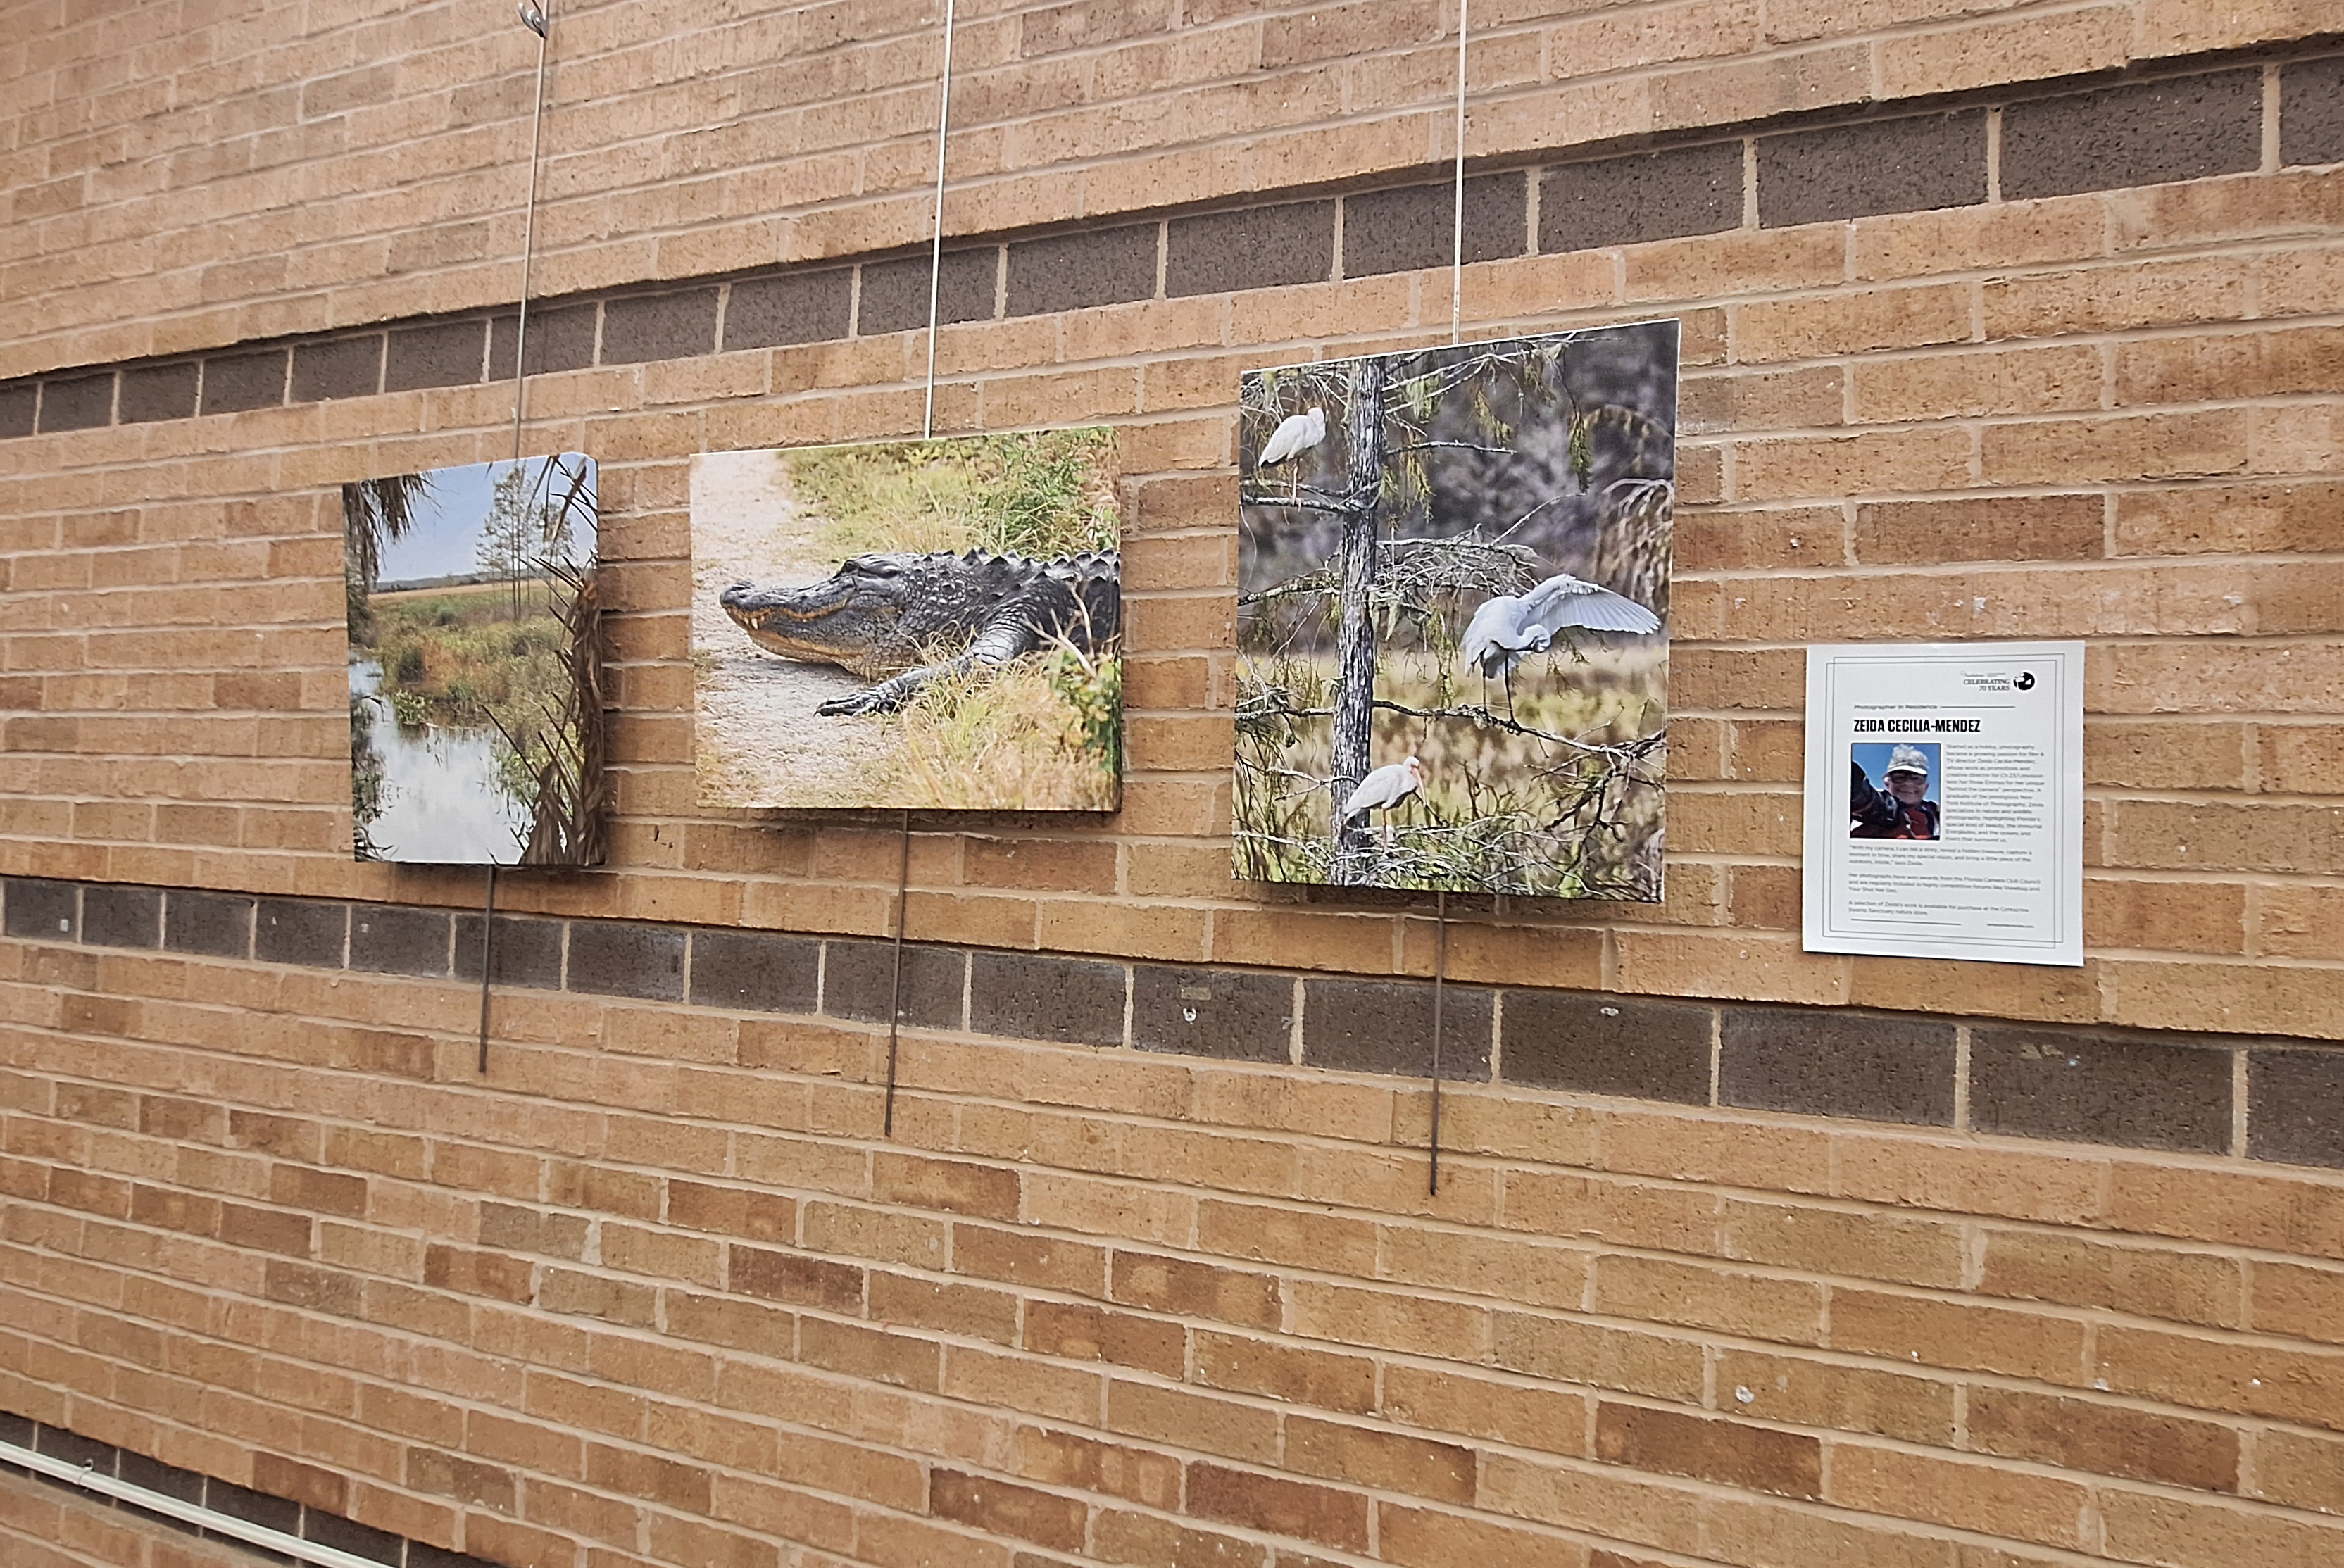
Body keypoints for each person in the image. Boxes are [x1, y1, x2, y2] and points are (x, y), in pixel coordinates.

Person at [1850, 745, 1940, 840]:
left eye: (1917, 779)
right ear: (1887, 784)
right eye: (1899, 777)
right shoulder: (1870, 807)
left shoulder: (1938, 813)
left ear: (1926, 787)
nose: (1908, 783)